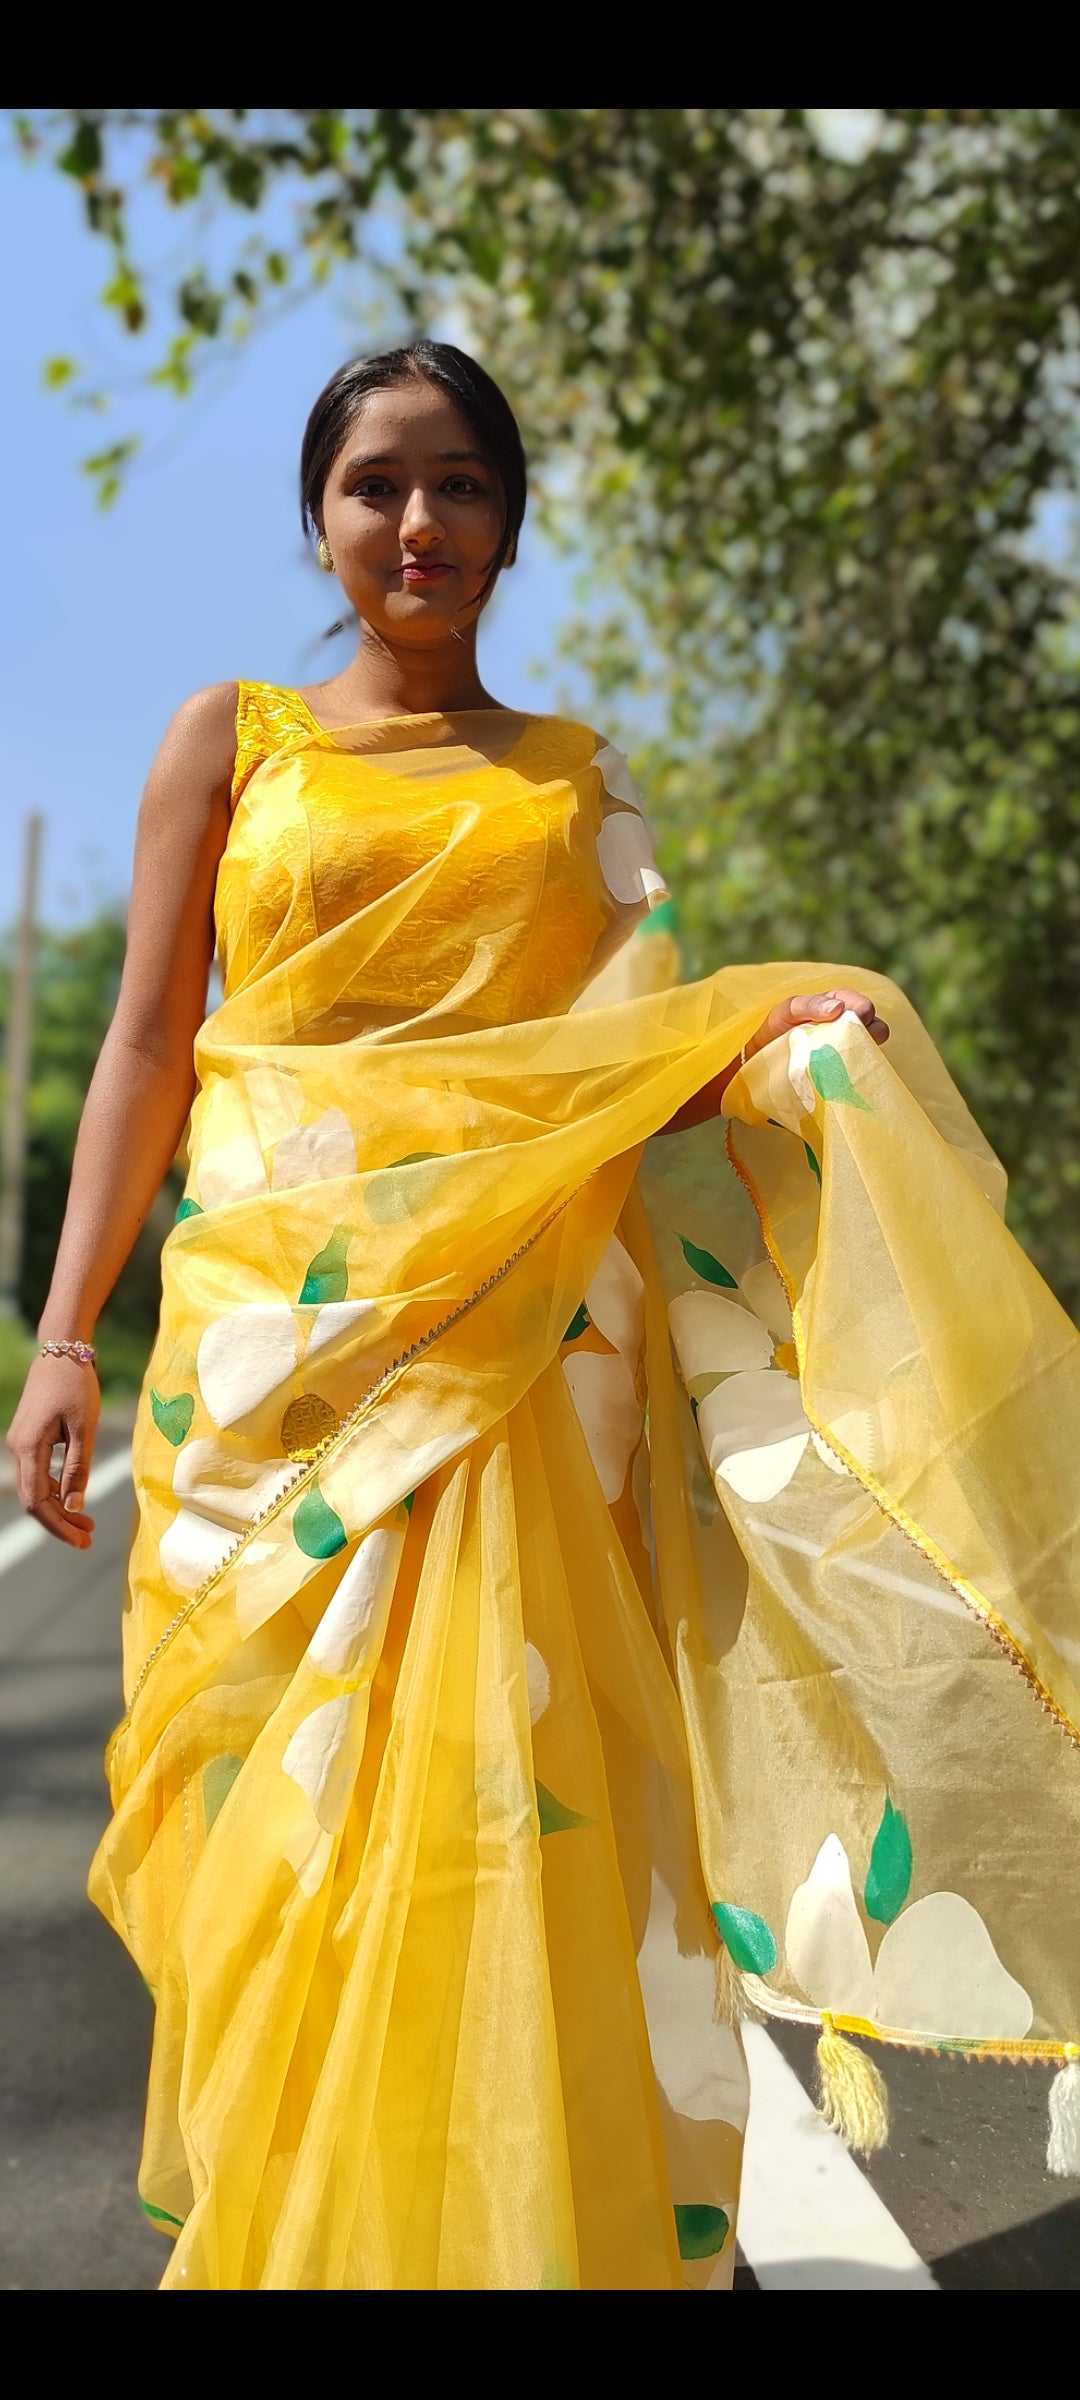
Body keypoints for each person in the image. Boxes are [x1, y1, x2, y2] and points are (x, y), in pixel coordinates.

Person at [8, 341, 1080, 2293]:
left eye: (461, 486)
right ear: (320, 518)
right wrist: (66, 1330)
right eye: (378, 486)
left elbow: (614, 1071)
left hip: (522, 1361)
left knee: (520, 1799)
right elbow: (150, 1040)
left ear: (510, 518)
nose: (420, 525)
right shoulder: (227, 743)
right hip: (276, 1357)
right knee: (292, 1824)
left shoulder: (574, 782)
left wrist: (771, 1045)